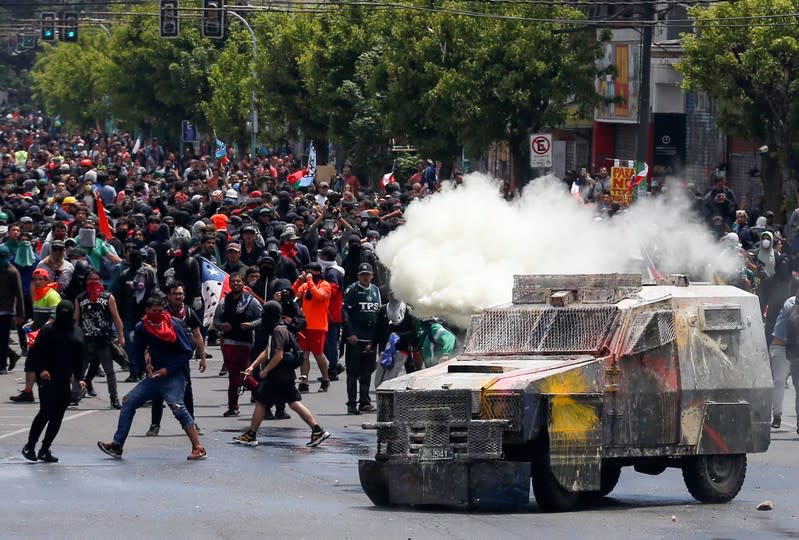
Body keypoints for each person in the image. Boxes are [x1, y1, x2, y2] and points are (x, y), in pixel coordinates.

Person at [97, 295, 207, 460]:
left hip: (174, 374)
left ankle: (198, 447)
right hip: (155, 375)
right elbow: (137, 350)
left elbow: (186, 352)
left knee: (176, 406)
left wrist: (168, 370)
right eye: (153, 311)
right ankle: (117, 445)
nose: (157, 314)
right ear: (147, 311)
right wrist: (144, 366)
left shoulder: (173, 325)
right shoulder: (142, 327)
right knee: (128, 402)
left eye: (160, 310)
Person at [233, 300, 330, 447]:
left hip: (278, 375)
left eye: (265, 314)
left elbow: (277, 355)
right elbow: (267, 351)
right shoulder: (277, 329)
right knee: (292, 403)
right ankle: (317, 430)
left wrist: (265, 370)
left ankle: (251, 435)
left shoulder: (278, 331)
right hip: (283, 375)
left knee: (262, 401)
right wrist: (253, 366)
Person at [21, 300, 86, 463]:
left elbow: (79, 358)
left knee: (58, 414)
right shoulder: (48, 331)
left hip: (64, 378)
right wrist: (41, 370)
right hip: (47, 377)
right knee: (46, 410)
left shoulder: (77, 332)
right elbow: (35, 354)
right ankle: (30, 446)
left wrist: (80, 378)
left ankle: (45, 449)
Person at [147, 282, 207, 436]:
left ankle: (191, 422)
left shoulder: (188, 312)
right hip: (161, 358)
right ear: (168, 296)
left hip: (181, 359)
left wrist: (202, 356)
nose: (178, 297)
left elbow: (197, 335)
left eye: (180, 294)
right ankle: (155, 425)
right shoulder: (162, 312)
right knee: (158, 391)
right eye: (175, 294)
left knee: (187, 391)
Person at [75, 269, 125, 409]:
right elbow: (76, 319)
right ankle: (75, 394)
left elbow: (116, 317)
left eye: (96, 279)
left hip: (104, 341)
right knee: (80, 369)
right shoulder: (80, 298)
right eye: (90, 279)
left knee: (109, 370)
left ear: (101, 280)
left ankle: (113, 398)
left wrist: (121, 335)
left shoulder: (108, 297)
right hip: (86, 341)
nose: (93, 282)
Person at [213, 273, 262, 417]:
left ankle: (236, 404)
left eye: (238, 281)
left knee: (236, 376)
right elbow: (216, 320)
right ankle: (262, 393)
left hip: (244, 343)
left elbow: (262, 319)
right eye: (233, 281)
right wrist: (221, 326)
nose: (235, 284)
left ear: (243, 283)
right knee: (235, 375)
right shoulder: (224, 301)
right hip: (227, 342)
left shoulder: (251, 301)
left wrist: (250, 325)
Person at [10, 268, 61, 403]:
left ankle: (67, 390)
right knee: (31, 364)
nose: (37, 282)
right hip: (37, 337)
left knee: (49, 365)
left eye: (40, 279)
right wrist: (30, 324)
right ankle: (28, 392)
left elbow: (55, 315)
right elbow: (39, 317)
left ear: (46, 280)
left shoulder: (52, 295)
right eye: (35, 279)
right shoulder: (39, 295)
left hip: (48, 337)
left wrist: (43, 328)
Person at [342, 263, 381, 414]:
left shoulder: (376, 290)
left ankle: (364, 402)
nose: (365, 277)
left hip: (370, 340)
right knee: (353, 372)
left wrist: (377, 340)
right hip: (355, 339)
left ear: (372, 275)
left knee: (367, 372)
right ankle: (351, 403)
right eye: (362, 274)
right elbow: (344, 313)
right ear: (358, 276)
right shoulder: (352, 290)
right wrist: (349, 333)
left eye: (368, 274)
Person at [292, 262, 332, 392]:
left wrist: (309, 281)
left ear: (318, 272)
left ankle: (325, 379)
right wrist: (299, 281)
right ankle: (304, 381)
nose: (308, 275)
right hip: (304, 325)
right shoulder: (304, 286)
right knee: (304, 354)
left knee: (317, 354)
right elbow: (293, 294)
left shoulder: (325, 285)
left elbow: (319, 297)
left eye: (311, 272)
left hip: (318, 326)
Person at [0, 245, 24, 375]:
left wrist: (21, 314)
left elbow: (19, 295)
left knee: (3, 338)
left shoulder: (12, 271)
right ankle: (11, 354)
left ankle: (2, 365)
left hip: (7, 310)